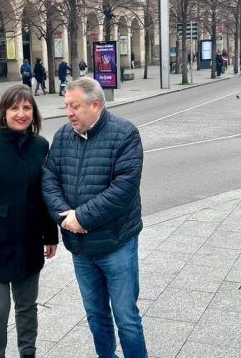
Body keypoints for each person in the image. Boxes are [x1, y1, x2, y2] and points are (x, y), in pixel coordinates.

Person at [42, 77, 147, 358]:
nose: (69, 113)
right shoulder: (63, 136)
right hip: (81, 248)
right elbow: (49, 179)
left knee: (126, 318)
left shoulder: (125, 134)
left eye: (74, 106)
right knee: (96, 316)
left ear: (96, 104)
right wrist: (65, 217)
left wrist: (82, 218)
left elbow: (123, 189)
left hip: (116, 246)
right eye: (66, 106)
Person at [0, 84, 59, 358]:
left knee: (27, 307)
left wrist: (50, 235)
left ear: (34, 112)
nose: (21, 113)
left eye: (26, 108)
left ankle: (28, 353)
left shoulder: (40, 145)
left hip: (29, 242)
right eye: (14, 108)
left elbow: (45, 194)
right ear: (4, 111)